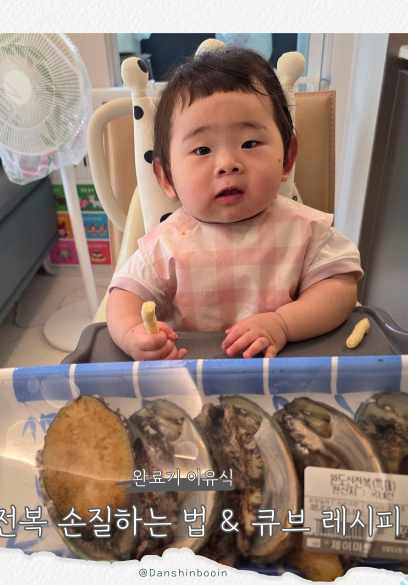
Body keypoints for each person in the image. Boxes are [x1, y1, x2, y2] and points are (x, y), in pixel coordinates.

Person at [106, 47, 362, 361]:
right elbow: (123, 297)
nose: (228, 164)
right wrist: (132, 334)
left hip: (283, 374)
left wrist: (282, 324)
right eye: (202, 150)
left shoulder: (305, 231)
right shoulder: (165, 245)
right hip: (191, 377)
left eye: (249, 143)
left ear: (287, 159)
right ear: (166, 177)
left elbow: (340, 287)